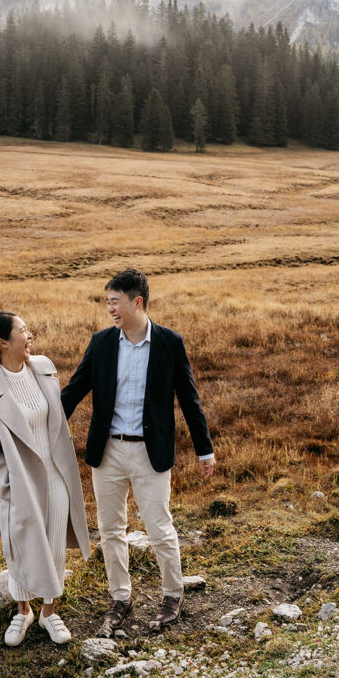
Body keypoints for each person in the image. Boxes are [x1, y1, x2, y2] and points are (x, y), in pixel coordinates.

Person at [61, 269, 215, 637]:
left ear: (137, 302)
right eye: (107, 302)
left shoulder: (169, 343)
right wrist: (40, 424)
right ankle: (120, 598)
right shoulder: (100, 343)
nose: (110, 308)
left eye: (115, 301)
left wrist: (204, 449)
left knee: (159, 525)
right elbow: (73, 391)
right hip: (108, 451)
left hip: (151, 452)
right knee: (111, 529)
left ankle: (172, 595)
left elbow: (189, 399)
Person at [0, 311, 90, 646]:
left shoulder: (43, 368)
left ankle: (50, 612)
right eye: (23, 331)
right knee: (19, 548)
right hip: (19, 486)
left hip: (55, 476)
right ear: (3, 343)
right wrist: (7, 490)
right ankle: (23, 611)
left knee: (52, 545)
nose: (30, 336)